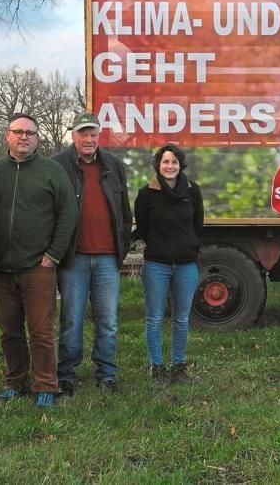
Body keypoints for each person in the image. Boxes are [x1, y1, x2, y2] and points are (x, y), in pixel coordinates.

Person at [0, 113, 77, 409]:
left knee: (40, 330)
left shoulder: (51, 171)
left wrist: (53, 254)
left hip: (38, 267)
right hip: (0, 268)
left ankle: (45, 384)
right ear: (7, 136)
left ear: (38, 139)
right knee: (9, 329)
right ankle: (15, 381)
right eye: (18, 132)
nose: (24, 137)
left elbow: (68, 214)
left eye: (30, 133)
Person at [51, 111, 132, 395]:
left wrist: (122, 246)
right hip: (74, 257)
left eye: (93, 134)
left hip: (108, 257)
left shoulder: (113, 165)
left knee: (108, 320)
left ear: (99, 135)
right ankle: (66, 374)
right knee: (71, 319)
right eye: (83, 134)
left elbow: (124, 211)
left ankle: (106, 373)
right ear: (73, 135)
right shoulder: (57, 165)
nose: (88, 139)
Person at [134, 144, 205, 384]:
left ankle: (178, 366)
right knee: (154, 318)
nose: (170, 166)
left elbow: (198, 224)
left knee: (181, 319)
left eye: (174, 162)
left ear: (180, 165)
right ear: (158, 165)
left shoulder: (193, 191)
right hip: (157, 265)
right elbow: (142, 228)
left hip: (186, 265)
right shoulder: (146, 194)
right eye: (165, 162)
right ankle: (157, 367)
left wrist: (189, 246)